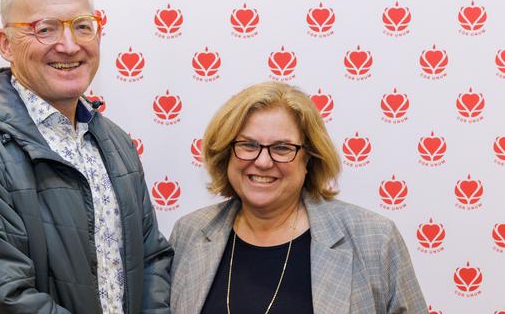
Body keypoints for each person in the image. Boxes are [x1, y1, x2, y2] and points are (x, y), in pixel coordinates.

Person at [0, 0, 172, 314]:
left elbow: (151, 259)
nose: (69, 46)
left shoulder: (114, 142)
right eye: (45, 29)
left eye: (82, 26)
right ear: (6, 44)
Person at [169, 82, 427, 314]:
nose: (262, 161)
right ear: (227, 153)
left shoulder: (375, 239)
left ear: (309, 159)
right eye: (248, 145)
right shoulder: (190, 233)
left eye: (282, 148)